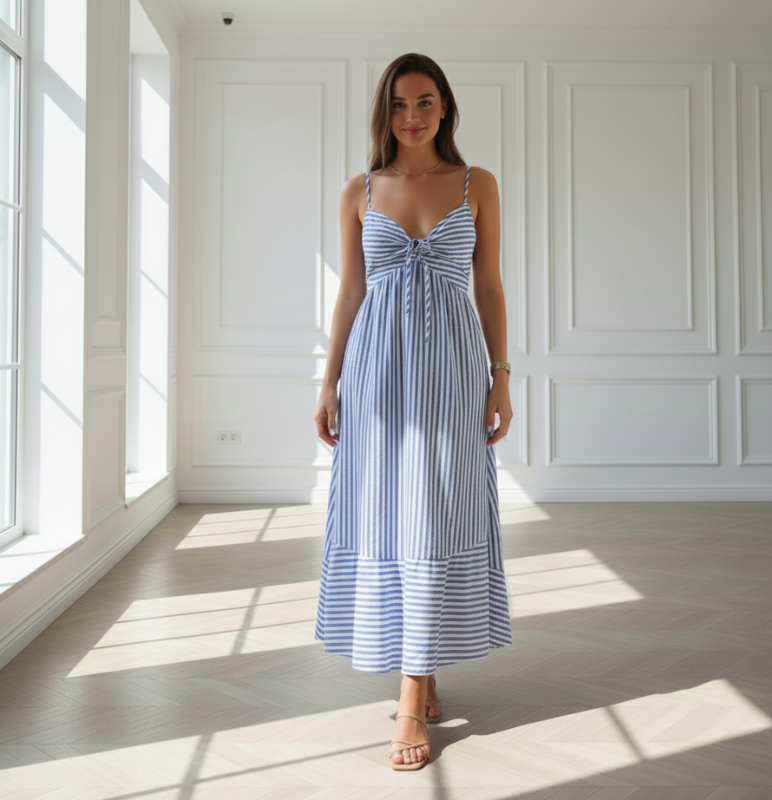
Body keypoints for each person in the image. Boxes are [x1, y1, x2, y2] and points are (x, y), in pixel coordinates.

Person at [312, 52, 513, 771]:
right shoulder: (360, 190)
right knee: (389, 512)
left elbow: (487, 288)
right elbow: (349, 294)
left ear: (446, 108)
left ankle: (413, 685)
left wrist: (502, 377)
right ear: (384, 114)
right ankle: (417, 675)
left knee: (440, 511)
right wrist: (330, 381)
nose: (413, 117)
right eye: (399, 105)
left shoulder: (476, 183)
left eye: (426, 102)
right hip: (378, 374)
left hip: (455, 371)